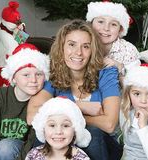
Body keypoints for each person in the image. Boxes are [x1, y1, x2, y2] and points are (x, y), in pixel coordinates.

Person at [26, 19, 121, 160]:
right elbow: (32, 117)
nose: (78, 53)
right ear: (62, 47)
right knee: (44, 136)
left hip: (103, 144)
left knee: (92, 133)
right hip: (63, 143)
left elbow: (109, 124)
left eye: (86, 47)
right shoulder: (52, 73)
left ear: (92, 50)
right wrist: (79, 107)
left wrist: (64, 118)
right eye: (72, 45)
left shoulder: (106, 73)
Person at [0, 43, 50, 160]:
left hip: (25, 150)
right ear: (13, 78)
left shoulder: (43, 99)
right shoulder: (0, 95)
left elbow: (33, 141)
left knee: (5, 147)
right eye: (26, 75)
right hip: (0, 144)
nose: (33, 80)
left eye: (39, 74)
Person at [25, 97, 91, 160]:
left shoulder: (82, 158)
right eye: (52, 125)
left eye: (65, 126)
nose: (58, 132)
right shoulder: (33, 155)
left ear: (75, 130)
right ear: (43, 129)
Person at [86, 1, 141, 76]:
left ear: (120, 30)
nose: (106, 28)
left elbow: (136, 79)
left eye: (113, 24)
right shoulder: (83, 44)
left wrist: (119, 66)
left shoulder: (128, 50)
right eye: (101, 22)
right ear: (91, 24)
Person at [0, 1, 28, 88]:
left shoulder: (11, 29)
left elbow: (22, 42)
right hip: (2, 68)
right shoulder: (4, 33)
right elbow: (15, 49)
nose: (18, 25)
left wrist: (21, 31)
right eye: (16, 23)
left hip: (9, 68)